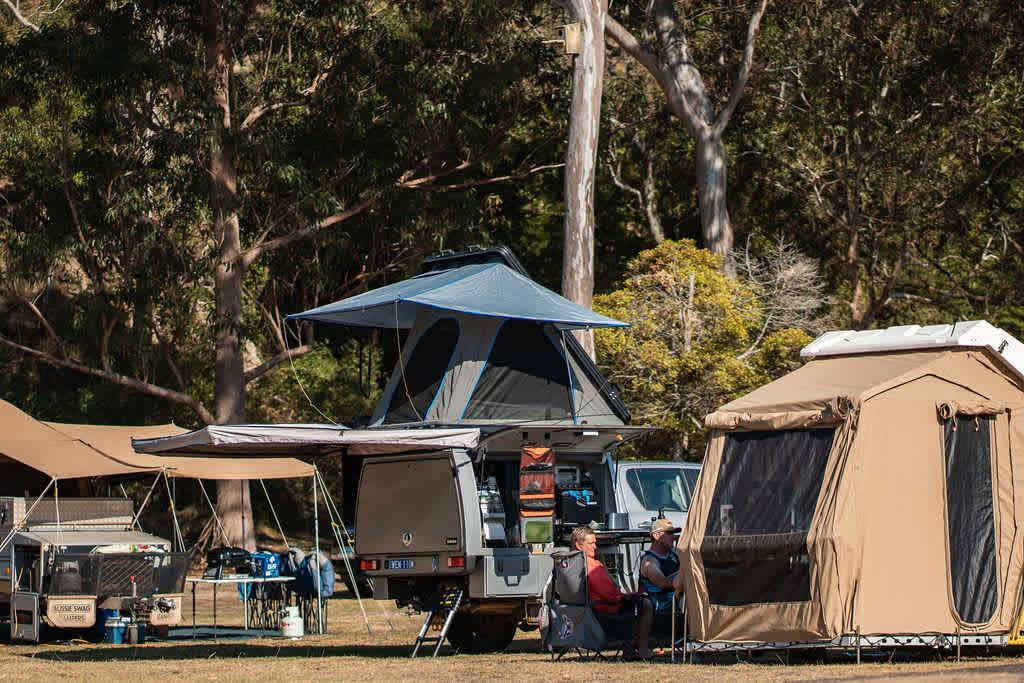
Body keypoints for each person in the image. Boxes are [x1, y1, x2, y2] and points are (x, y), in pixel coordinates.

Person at [571, 526, 653, 659]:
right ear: (579, 546)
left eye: (595, 543)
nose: (595, 547)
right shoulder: (592, 566)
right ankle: (641, 648)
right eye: (591, 543)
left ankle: (629, 647)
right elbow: (609, 594)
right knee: (645, 604)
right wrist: (624, 596)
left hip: (578, 613)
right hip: (602, 612)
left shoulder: (567, 565)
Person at [638, 518, 682, 613]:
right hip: (663, 609)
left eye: (673, 533)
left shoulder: (673, 553)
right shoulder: (649, 561)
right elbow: (664, 584)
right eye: (669, 533)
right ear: (656, 535)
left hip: (678, 603)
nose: (673, 537)